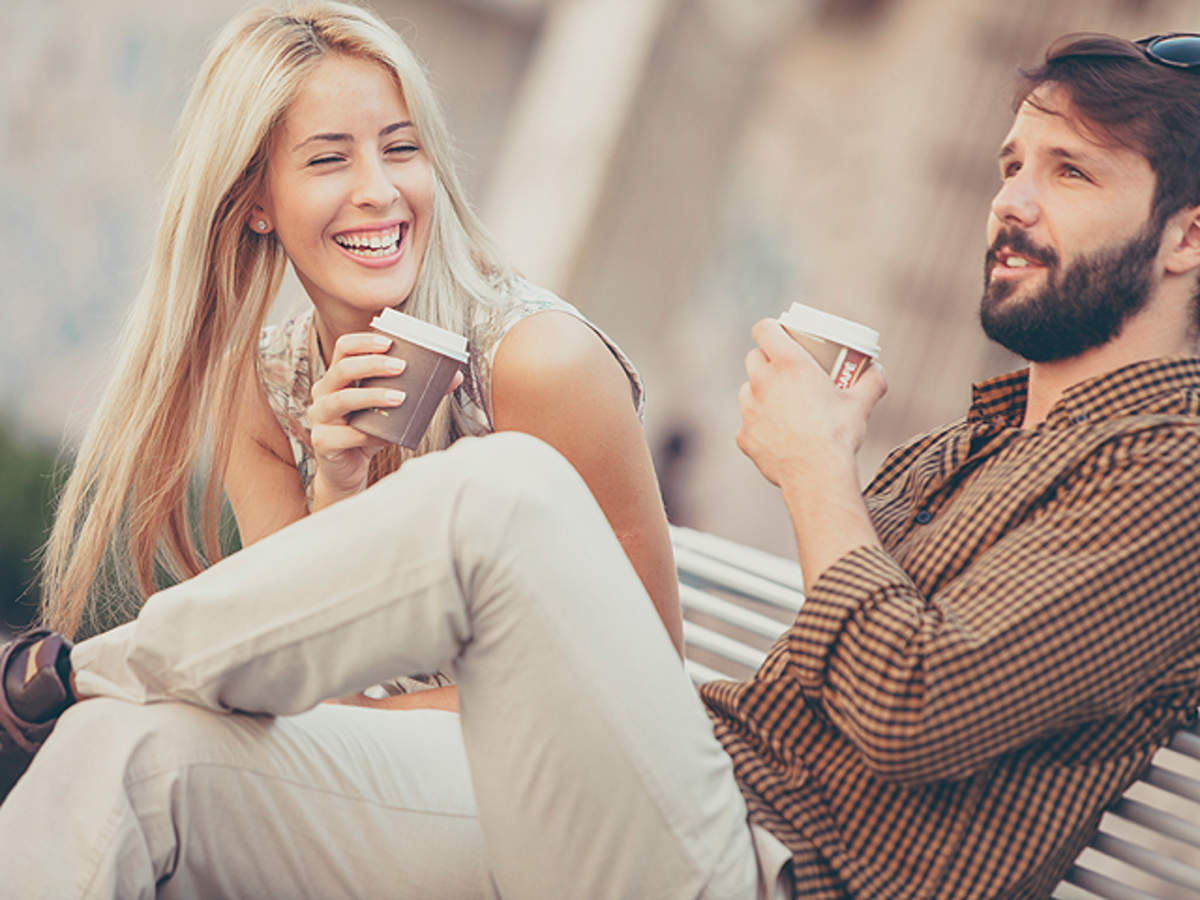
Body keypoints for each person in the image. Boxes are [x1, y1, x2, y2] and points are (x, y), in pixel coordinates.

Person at [4, 26, 1200, 900]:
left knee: (512, 488)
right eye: (1010, 166)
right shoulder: (980, 443)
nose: (1011, 202)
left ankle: (83, 669)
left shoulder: (1173, 478)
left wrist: (818, 467)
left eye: (1071, 172)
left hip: (765, 878)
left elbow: (913, 708)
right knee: (133, 757)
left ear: (1187, 236)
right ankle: (102, 697)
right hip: (665, 825)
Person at [35, 0, 681, 712]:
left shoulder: (538, 363)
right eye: (328, 159)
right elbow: (292, 663)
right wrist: (338, 495)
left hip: (550, 784)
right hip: (364, 775)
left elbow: (646, 679)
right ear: (256, 200)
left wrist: (358, 726)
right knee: (148, 735)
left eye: (401, 149)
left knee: (164, 736)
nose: (379, 191)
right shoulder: (265, 389)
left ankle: (78, 684)